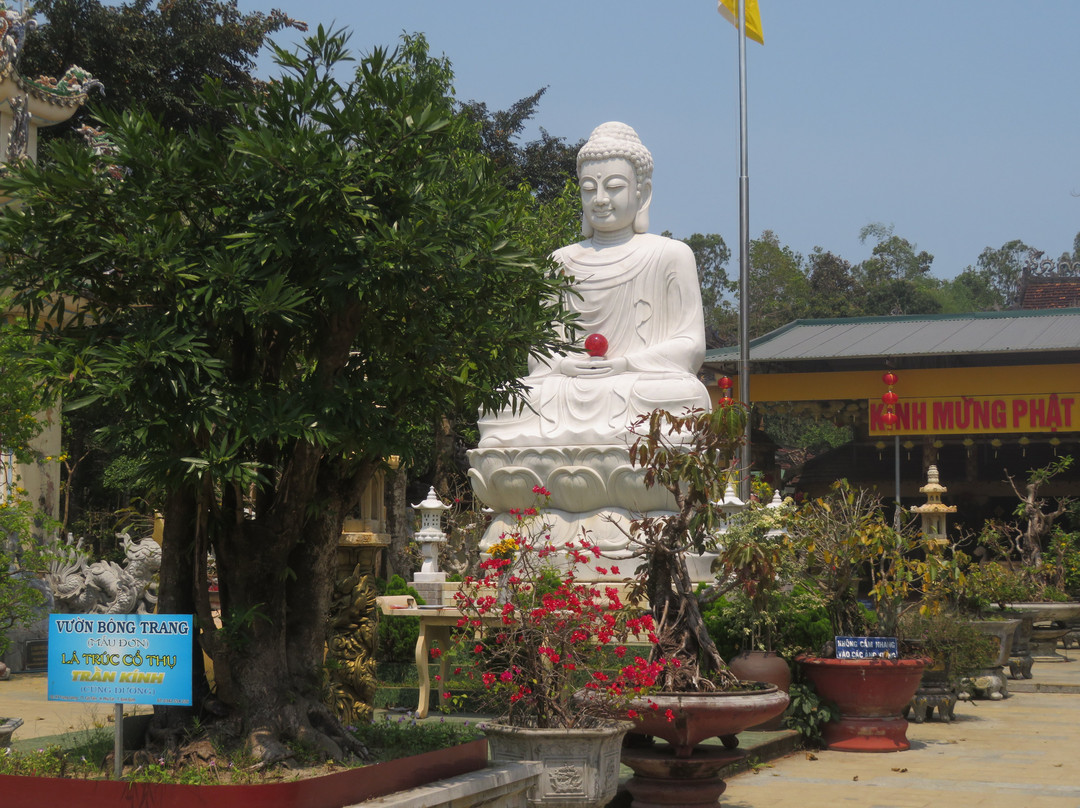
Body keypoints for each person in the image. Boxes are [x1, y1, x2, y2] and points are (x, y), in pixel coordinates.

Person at [477, 122, 711, 448]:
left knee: (681, 393)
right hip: (568, 388)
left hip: (639, 384)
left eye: (613, 187)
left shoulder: (670, 255)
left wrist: (625, 364)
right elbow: (540, 354)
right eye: (589, 189)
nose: (600, 199)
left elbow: (691, 347)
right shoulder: (561, 262)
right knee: (506, 400)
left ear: (642, 193)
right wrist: (564, 365)